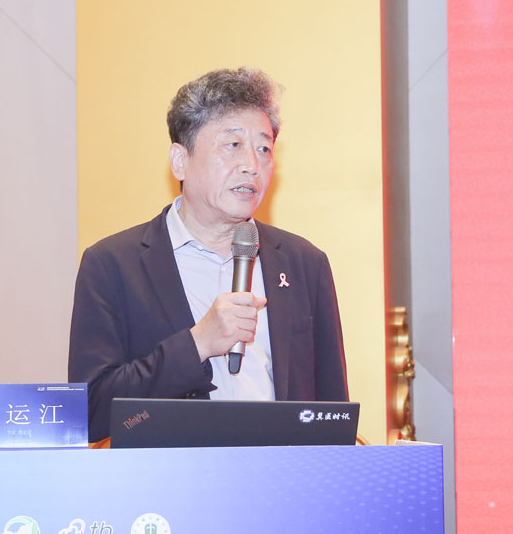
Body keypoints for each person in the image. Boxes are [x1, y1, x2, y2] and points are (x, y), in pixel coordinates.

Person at [69, 68, 348, 442]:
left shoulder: (304, 264)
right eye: (233, 144)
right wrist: (197, 344)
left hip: (281, 476)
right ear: (180, 160)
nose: (252, 165)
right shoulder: (113, 265)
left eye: (264, 149)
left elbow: (332, 413)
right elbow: (91, 412)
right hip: (171, 478)